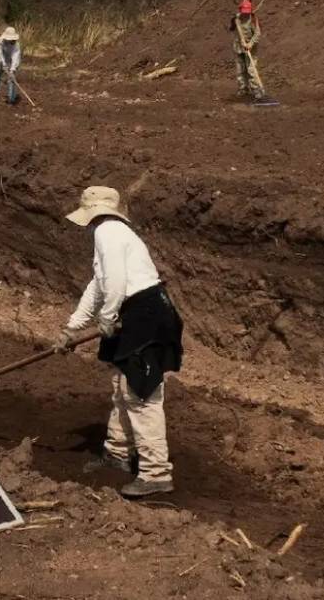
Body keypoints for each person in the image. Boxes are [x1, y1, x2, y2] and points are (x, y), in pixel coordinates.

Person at [59, 186, 184, 497]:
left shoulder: (109, 232)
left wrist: (108, 316)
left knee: (140, 392)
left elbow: (115, 281)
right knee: (122, 385)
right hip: (136, 311)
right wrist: (72, 327)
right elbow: (98, 284)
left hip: (144, 313)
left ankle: (156, 473)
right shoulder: (112, 233)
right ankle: (117, 452)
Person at [229, 0, 264, 101]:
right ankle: (243, 88)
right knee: (240, 69)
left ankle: (256, 89)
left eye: (247, 12)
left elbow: (257, 34)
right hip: (238, 47)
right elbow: (231, 28)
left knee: (251, 69)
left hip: (250, 47)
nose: (245, 14)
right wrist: (234, 21)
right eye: (244, 12)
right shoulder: (236, 19)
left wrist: (250, 44)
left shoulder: (253, 19)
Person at [0, 27, 21, 105]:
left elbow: (15, 58)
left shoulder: (16, 46)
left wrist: (12, 70)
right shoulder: (0, 41)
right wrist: (3, 64)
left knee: (11, 78)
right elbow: (0, 53)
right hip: (3, 59)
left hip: (12, 62)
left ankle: (11, 99)